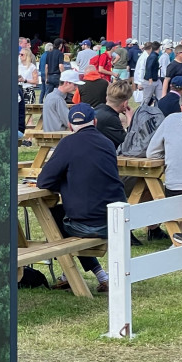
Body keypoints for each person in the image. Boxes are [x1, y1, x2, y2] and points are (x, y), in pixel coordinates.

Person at [36, 104, 120, 293]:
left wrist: (64, 184)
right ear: (95, 122)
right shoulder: (107, 143)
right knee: (67, 215)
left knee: (54, 217)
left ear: (70, 125)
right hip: (114, 220)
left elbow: (44, 181)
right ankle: (90, 275)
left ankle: (81, 273)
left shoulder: (68, 144)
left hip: (88, 224)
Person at [147, 91, 182, 245]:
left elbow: (152, 152)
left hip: (175, 187)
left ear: (181, 107)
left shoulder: (171, 120)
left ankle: (177, 237)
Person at [93, 78, 134, 150]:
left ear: (107, 98)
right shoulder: (110, 118)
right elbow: (129, 144)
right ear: (125, 104)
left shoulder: (98, 109)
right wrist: (130, 121)